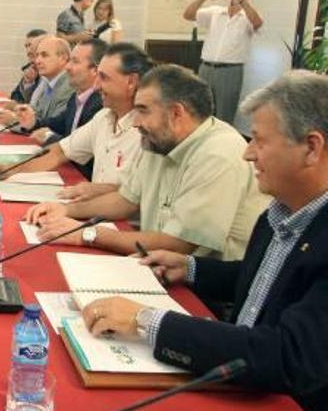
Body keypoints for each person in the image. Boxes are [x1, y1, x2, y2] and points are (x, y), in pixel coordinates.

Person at [80, 71, 328, 410]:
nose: (248, 154)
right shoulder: (281, 211)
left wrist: (147, 320)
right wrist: (192, 268)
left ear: (311, 148)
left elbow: (290, 355)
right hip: (243, 381)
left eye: (259, 141)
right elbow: (266, 281)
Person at [26, 64, 269, 261]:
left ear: (176, 113)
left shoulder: (218, 153)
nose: (135, 123)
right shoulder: (159, 140)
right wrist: (67, 210)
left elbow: (179, 245)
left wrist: (86, 234)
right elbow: (125, 200)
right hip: (155, 264)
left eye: (143, 111)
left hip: (204, 293)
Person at [0, 43, 149, 202]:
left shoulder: (147, 131)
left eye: (104, 78)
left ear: (131, 82)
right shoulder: (104, 117)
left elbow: (140, 196)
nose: (97, 85)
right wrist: (9, 169)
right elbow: (59, 153)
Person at [182, 0, 264, 124]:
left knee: (224, 116)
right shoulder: (215, 12)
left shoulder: (248, 17)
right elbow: (188, 15)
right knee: (200, 112)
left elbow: (257, 22)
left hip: (229, 72)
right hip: (205, 68)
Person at [25, 39, 106, 147]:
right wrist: (32, 122)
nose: (67, 67)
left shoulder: (101, 104)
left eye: (75, 62)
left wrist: (50, 137)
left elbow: (84, 150)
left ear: (95, 70)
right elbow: (57, 123)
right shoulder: (75, 98)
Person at [1, 37, 75, 132]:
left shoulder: (69, 85)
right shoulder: (50, 82)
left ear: (63, 58)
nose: (37, 61)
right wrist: (21, 112)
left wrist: (15, 122)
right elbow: (37, 113)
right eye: (37, 56)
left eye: (44, 55)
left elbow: (54, 127)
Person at [9, 29, 48, 104]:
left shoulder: (50, 72)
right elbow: (15, 96)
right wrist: (28, 83)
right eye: (26, 46)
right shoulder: (31, 68)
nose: (28, 50)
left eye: (31, 45)